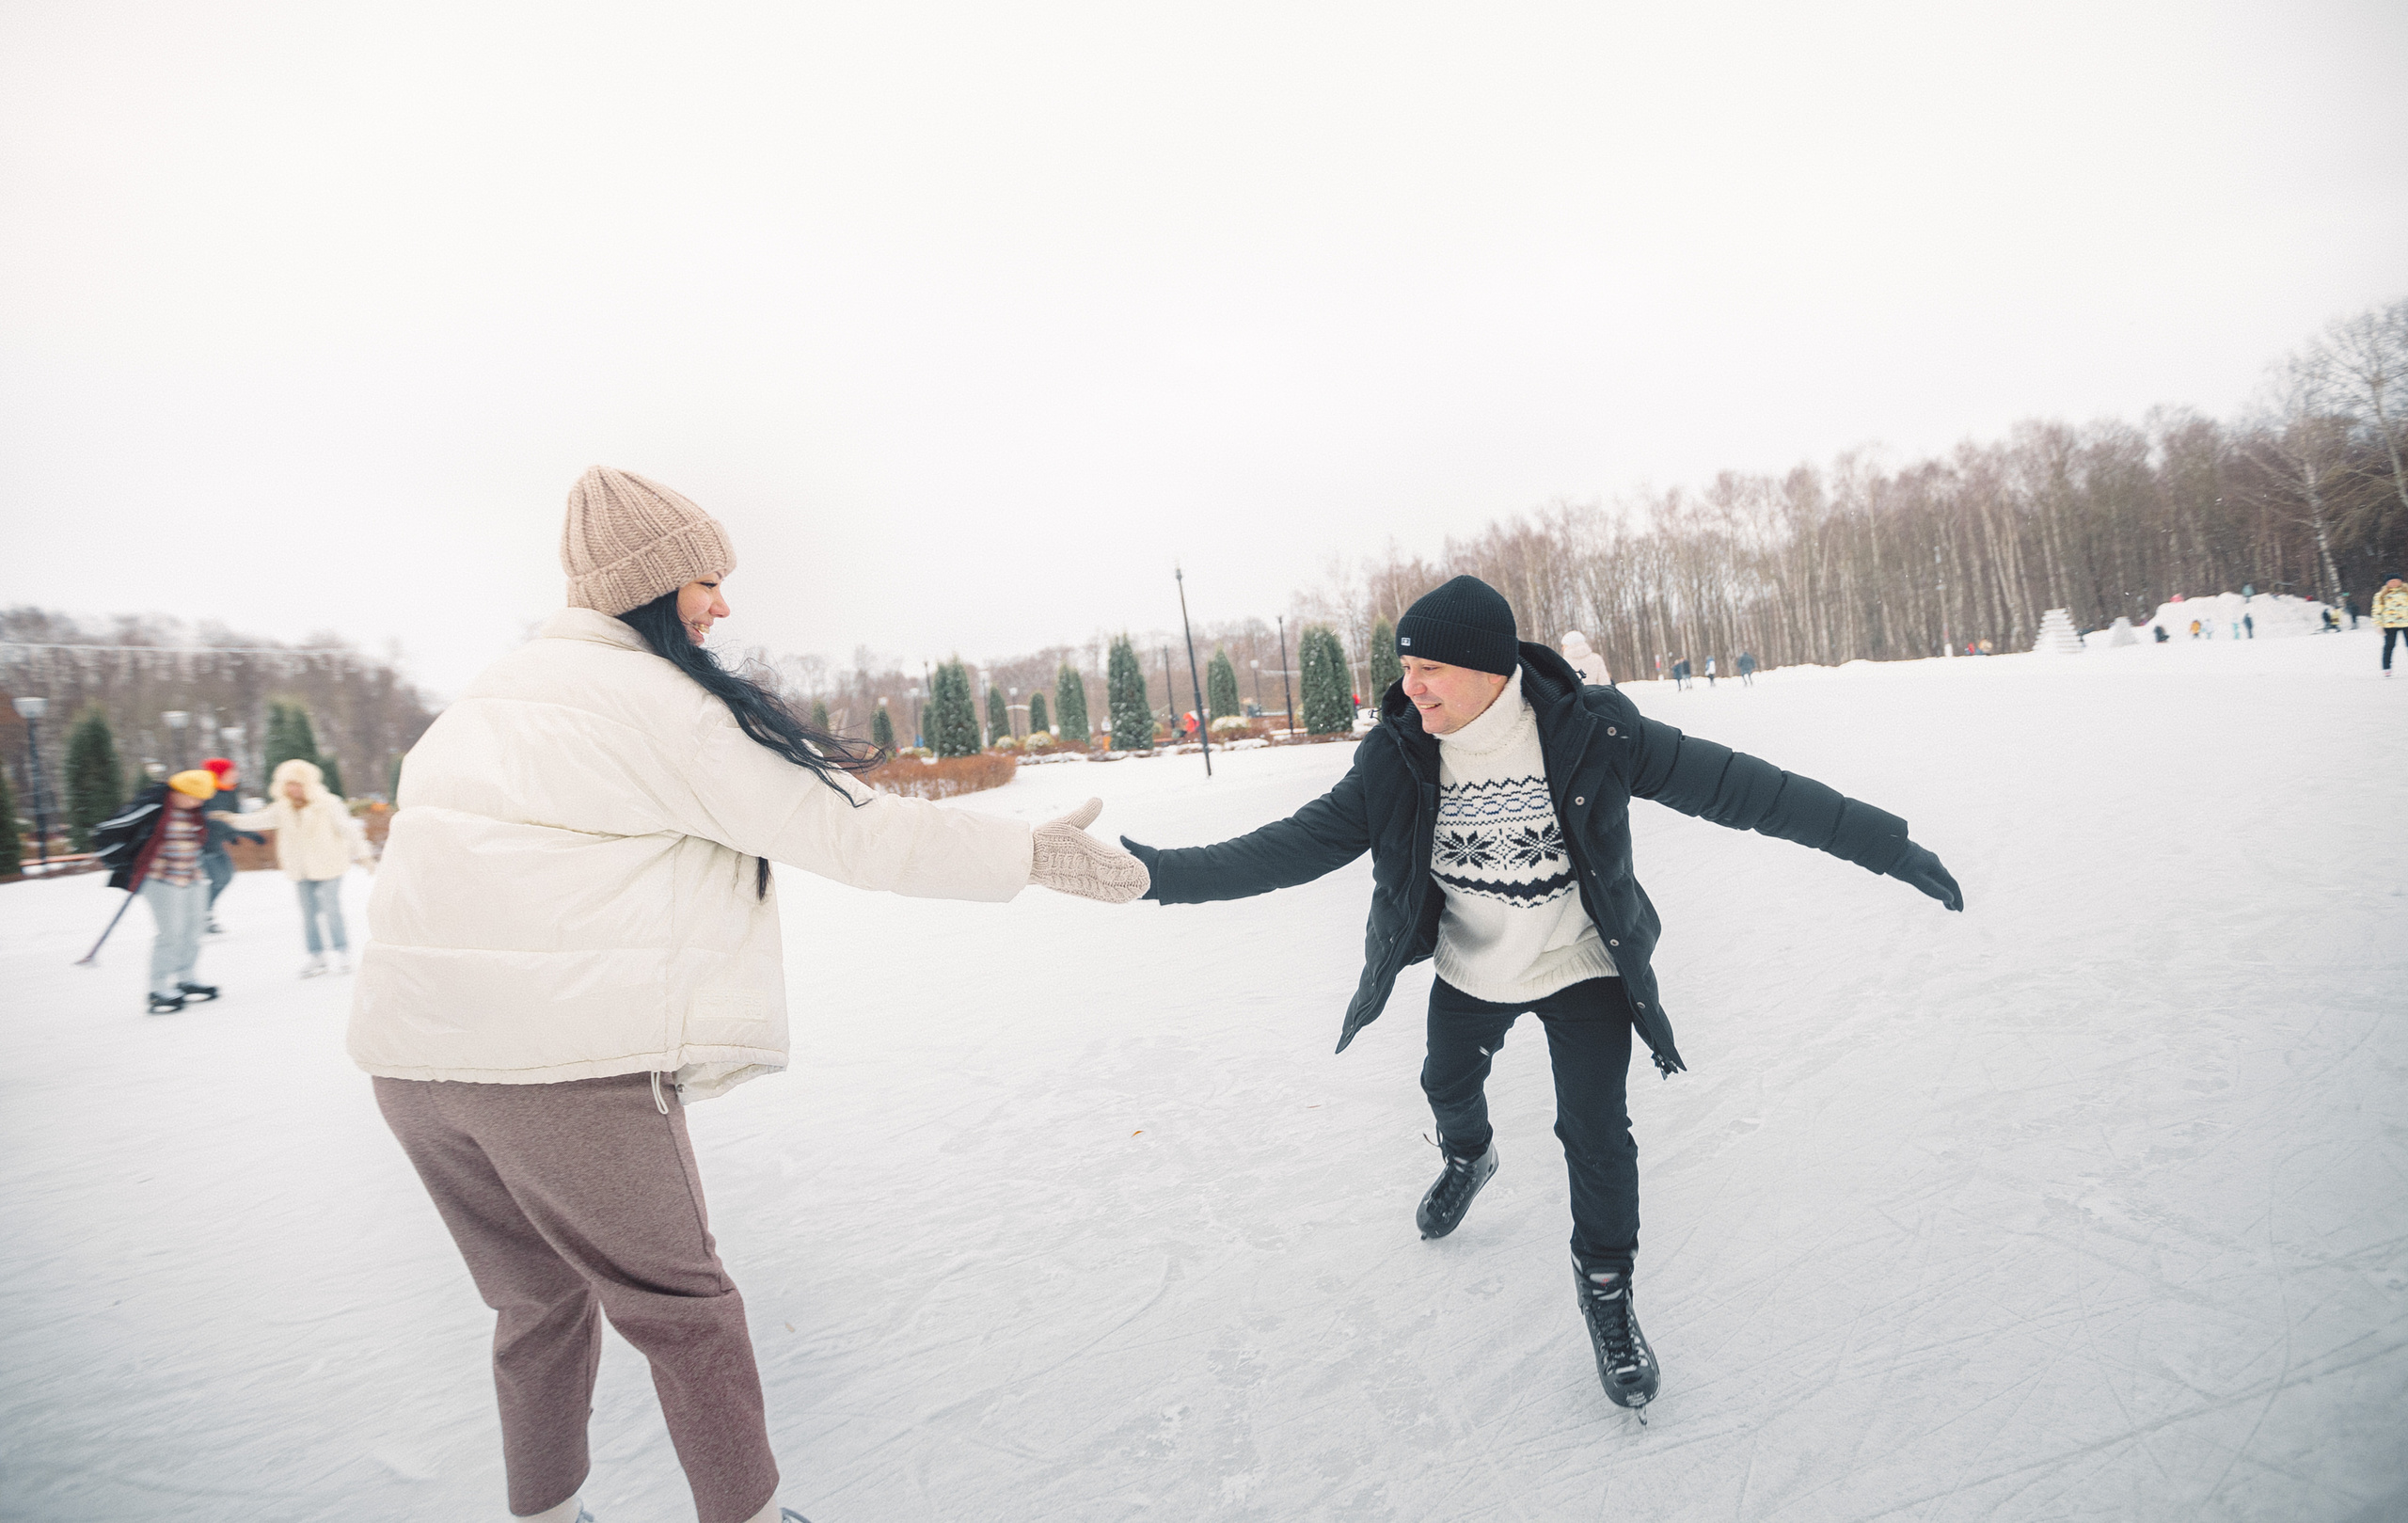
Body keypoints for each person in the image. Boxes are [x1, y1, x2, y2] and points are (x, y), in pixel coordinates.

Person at [354, 468, 1150, 1523]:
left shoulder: (485, 700)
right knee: (685, 1314)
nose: (721, 604)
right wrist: (1026, 854)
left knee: (533, 1302)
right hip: (554, 1069)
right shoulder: (651, 705)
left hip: (412, 1070)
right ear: (645, 586)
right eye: (702, 580)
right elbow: (849, 828)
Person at [1116, 576, 1962, 1420]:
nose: (1408, 687)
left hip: (1581, 962)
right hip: (1471, 964)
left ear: (1489, 669)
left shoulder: (1592, 730)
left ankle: (1606, 1291)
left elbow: (1746, 789)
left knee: (1596, 1135)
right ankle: (1467, 1155)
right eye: (1405, 665)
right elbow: (1288, 847)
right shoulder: (1399, 753)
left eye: (1429, 668)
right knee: (1445, 1084)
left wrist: (1887, 846)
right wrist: (1155, 876)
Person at [211, 757, 376, 976]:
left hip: (329, 864)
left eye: (297, 783)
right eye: (289, 784)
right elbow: (257, 820)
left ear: (308, 784)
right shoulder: (282, 808)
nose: (293, 789)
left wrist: (364, 854)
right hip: (301, 868)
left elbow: (348, 829)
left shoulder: (328, 803)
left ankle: (341, 950)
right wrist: (230, 819)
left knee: (331, 909)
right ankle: (316, 955)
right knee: (308, 913)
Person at [90, 769, 227, 1014]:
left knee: (193, 929)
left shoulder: (194, 810)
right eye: (193, 797)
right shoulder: (154, 806)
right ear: (179, 790)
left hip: (192, 875)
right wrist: (124, 863)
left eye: (201, 799)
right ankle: (157, 988)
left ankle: (186, 978)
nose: (197, 802)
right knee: (170, 934)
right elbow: (107, 831)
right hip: (160, 878)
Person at [196, 756, 262, 933]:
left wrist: (238, 834)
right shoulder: (206, 792)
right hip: (201, 845)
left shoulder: (230, 791)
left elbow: (235, 818)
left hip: (217, 843)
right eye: (231, 771)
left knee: (226, 877)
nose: (236, 774)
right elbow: (215, 821)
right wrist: (244, 834)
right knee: (217, 879)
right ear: (220, 774)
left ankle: (203, 912)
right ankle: (201, 916)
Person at [2375, 574, 2408, 675]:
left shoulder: (2406, 592)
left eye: (2396, 581)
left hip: (2406, 622)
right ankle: (2386, 668)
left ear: (2401, 581)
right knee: (2389, 645)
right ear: (2387, 583)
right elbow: (2377, 610)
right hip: (2389, 624)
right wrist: (2378, 624)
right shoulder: (2381, 595)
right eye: (2391, 581)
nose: (2393, 583)